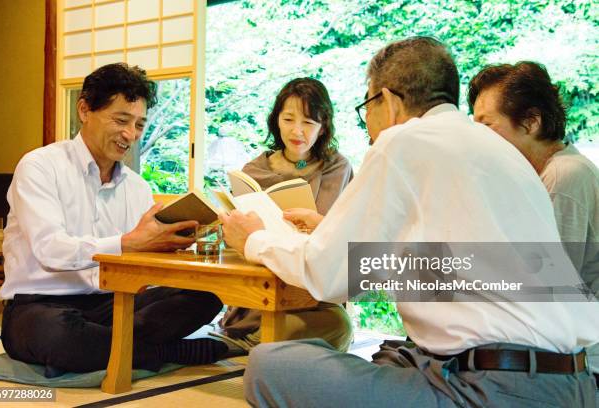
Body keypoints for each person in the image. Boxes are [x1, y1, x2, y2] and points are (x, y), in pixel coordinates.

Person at [220, 37, 599, 407]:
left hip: (489, 389)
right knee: (392, 355)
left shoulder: (402, 140)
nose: (367, 120)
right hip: (576, 384)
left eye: (367, 105)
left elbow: (330, 277)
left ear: (387, 101)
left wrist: (256, 239)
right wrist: (330, 233)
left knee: (269, 365)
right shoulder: (506, 154)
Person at [0, 63, 226, 376]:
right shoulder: (40, 167)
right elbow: (50, 251)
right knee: (58, 335)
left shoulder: (137, 186)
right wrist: (128, 243)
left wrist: (178, 242)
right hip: (40, 306)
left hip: (115, 303)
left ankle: (118, 348)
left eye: (139, 125)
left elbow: (146, 256)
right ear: (84, 110)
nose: (130, 134)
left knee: (207, 295)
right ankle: (165, 350)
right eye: (121, 120)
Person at [468, 60, 599, 382]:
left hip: (578, 365)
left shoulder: (565, 176)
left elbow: (542, 289)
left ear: (531, 122)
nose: (477, 138)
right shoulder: (540, 174)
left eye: (486, 125)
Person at [217, 77, 354, 352]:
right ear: (276, 119)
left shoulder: (338, 168)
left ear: (323, 126)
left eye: (308, 122)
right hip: (261, 285)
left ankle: (249, 345)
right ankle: (257, 339)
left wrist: (319, 225)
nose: (297, 131)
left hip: (313, 291)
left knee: (339, 326)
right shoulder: (254, 169)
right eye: (288, 119)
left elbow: (351, 234)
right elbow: (235, 243)